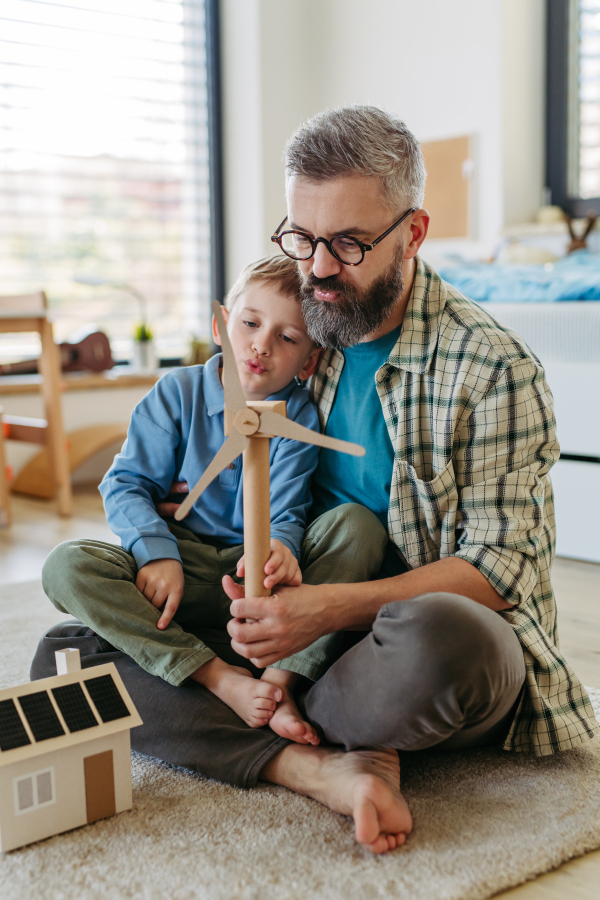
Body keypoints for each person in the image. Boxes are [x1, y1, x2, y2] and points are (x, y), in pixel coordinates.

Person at [33, 106, 599, 856]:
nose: (320, 269)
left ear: (414, 234)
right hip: (265, 634)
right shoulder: (299, 337)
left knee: (450, 639)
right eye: (301, 238)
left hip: (393, 646)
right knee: (68, 655)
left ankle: (290, 724)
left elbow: (504, 571)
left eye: (350, 243)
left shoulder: (491, 369)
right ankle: (317, 762)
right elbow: (202, 425)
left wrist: (328, 609)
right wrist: (166, 533)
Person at [38, 254, 342, 744]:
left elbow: (286, 512)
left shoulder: (299, 418)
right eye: (250, 324)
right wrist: (156, 552)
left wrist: (280, 548)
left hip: (260, 590)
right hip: (180, 573)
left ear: (308, 361)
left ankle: (279, 681)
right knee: (67, 565)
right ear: (221, 326)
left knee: (353, 528)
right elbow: (126, 483)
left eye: (286, 338)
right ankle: (216, 677)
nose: (261, 345)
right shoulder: (175, 393)